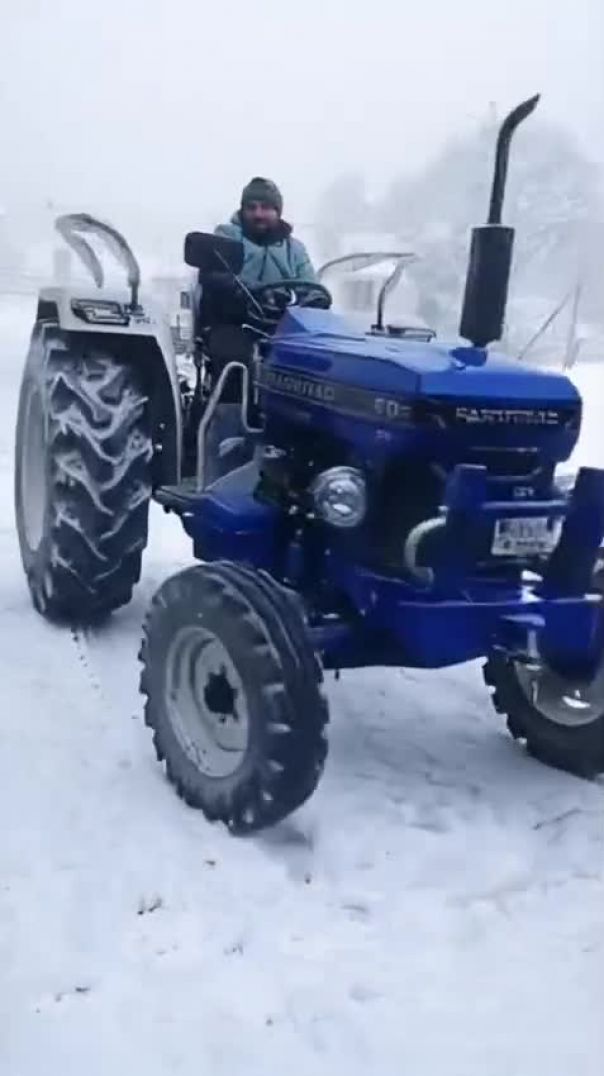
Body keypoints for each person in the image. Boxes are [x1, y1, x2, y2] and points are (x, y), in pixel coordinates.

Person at [214, 177, 316, 286]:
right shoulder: (227, 237)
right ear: (243, 211)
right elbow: (214, 277)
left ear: (277, 211)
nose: (258, 214)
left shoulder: (295, 250)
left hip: (283, 303)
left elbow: (310, 286)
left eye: (265, 207)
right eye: (251, 207)